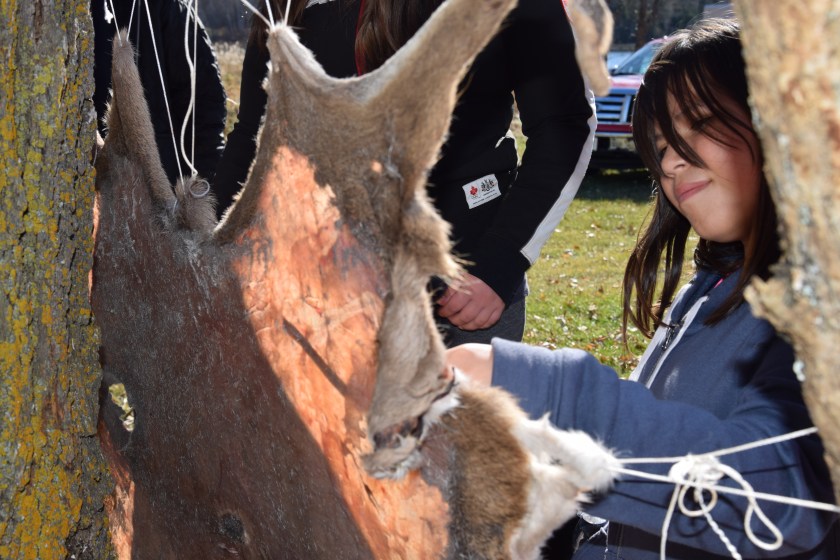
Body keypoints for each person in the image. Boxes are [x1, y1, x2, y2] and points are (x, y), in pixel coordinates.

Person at [445, 18, 839, 559]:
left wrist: (546, 392)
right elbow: (647, 478)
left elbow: (778, 495)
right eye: (659, 147)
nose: (672, 161)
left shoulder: (820, 310)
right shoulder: (709, 290)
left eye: (699, 123)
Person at [211, 0, 596, 347]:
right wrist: (209, 248)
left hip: (461, 291)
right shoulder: (285, 7)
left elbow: (565, 124)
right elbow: (254, 135)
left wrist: (500, 264)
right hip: (319, 293)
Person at [92, 0, 227, 184]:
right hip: (90, 189)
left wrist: (204, 189)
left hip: (163, 190)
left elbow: (205, 110)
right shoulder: (76, 16)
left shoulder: (166, 9)